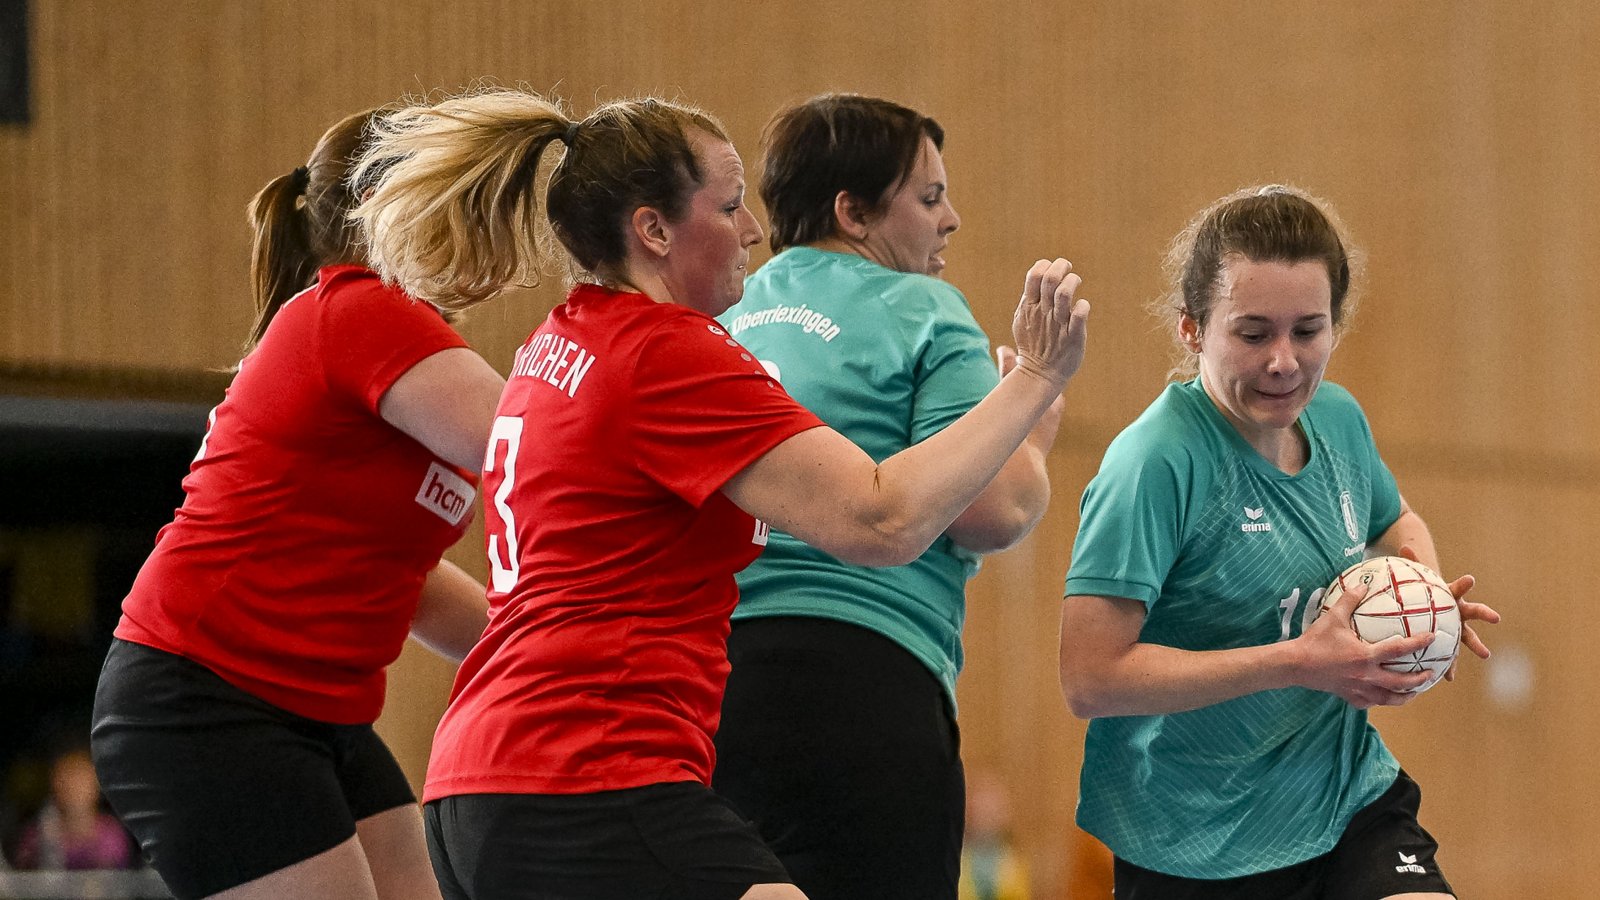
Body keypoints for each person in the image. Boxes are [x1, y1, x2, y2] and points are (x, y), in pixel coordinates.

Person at [349, 87, 1090, 900]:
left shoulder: (554, 344)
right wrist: (1036, 385)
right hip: (586, 773)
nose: (753, 230)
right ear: (655, 230)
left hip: (482, 777)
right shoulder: (667, 353)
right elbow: (884, 518)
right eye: (731, 205)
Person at [89, 108, 505, 900]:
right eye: (467, 201)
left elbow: (398, 573)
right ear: (410, 208)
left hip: (308, 707)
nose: (486, 230)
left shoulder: (394, 341)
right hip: (206, 696)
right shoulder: (361, 311)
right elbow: (540, 447)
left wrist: (538, 642)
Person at [1058, 184, 1500, 899]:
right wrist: (1298, 662)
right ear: (1193, 329)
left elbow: (1398, 523)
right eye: (1253, 332)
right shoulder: (1155, 464)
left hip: (1345, 802)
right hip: (1193, 842)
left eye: (1308, 330)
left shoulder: (1338, 417)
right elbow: (1091, 678)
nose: (1285, 362)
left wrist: (1424, 604)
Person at [710, 93, 1057, 900]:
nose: (952, 220)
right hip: (864, 679)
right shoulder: (920, 308)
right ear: (854, 213)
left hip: (711, 681)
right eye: (930, 198)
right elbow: (990, 511)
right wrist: (1029, 437)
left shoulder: (722, 320)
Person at [10, 743, 133, 871]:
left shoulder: (112, 836)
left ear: (96, 784)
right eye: (67, 779)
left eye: (81, 779)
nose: (74, 787)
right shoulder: (36, 837)